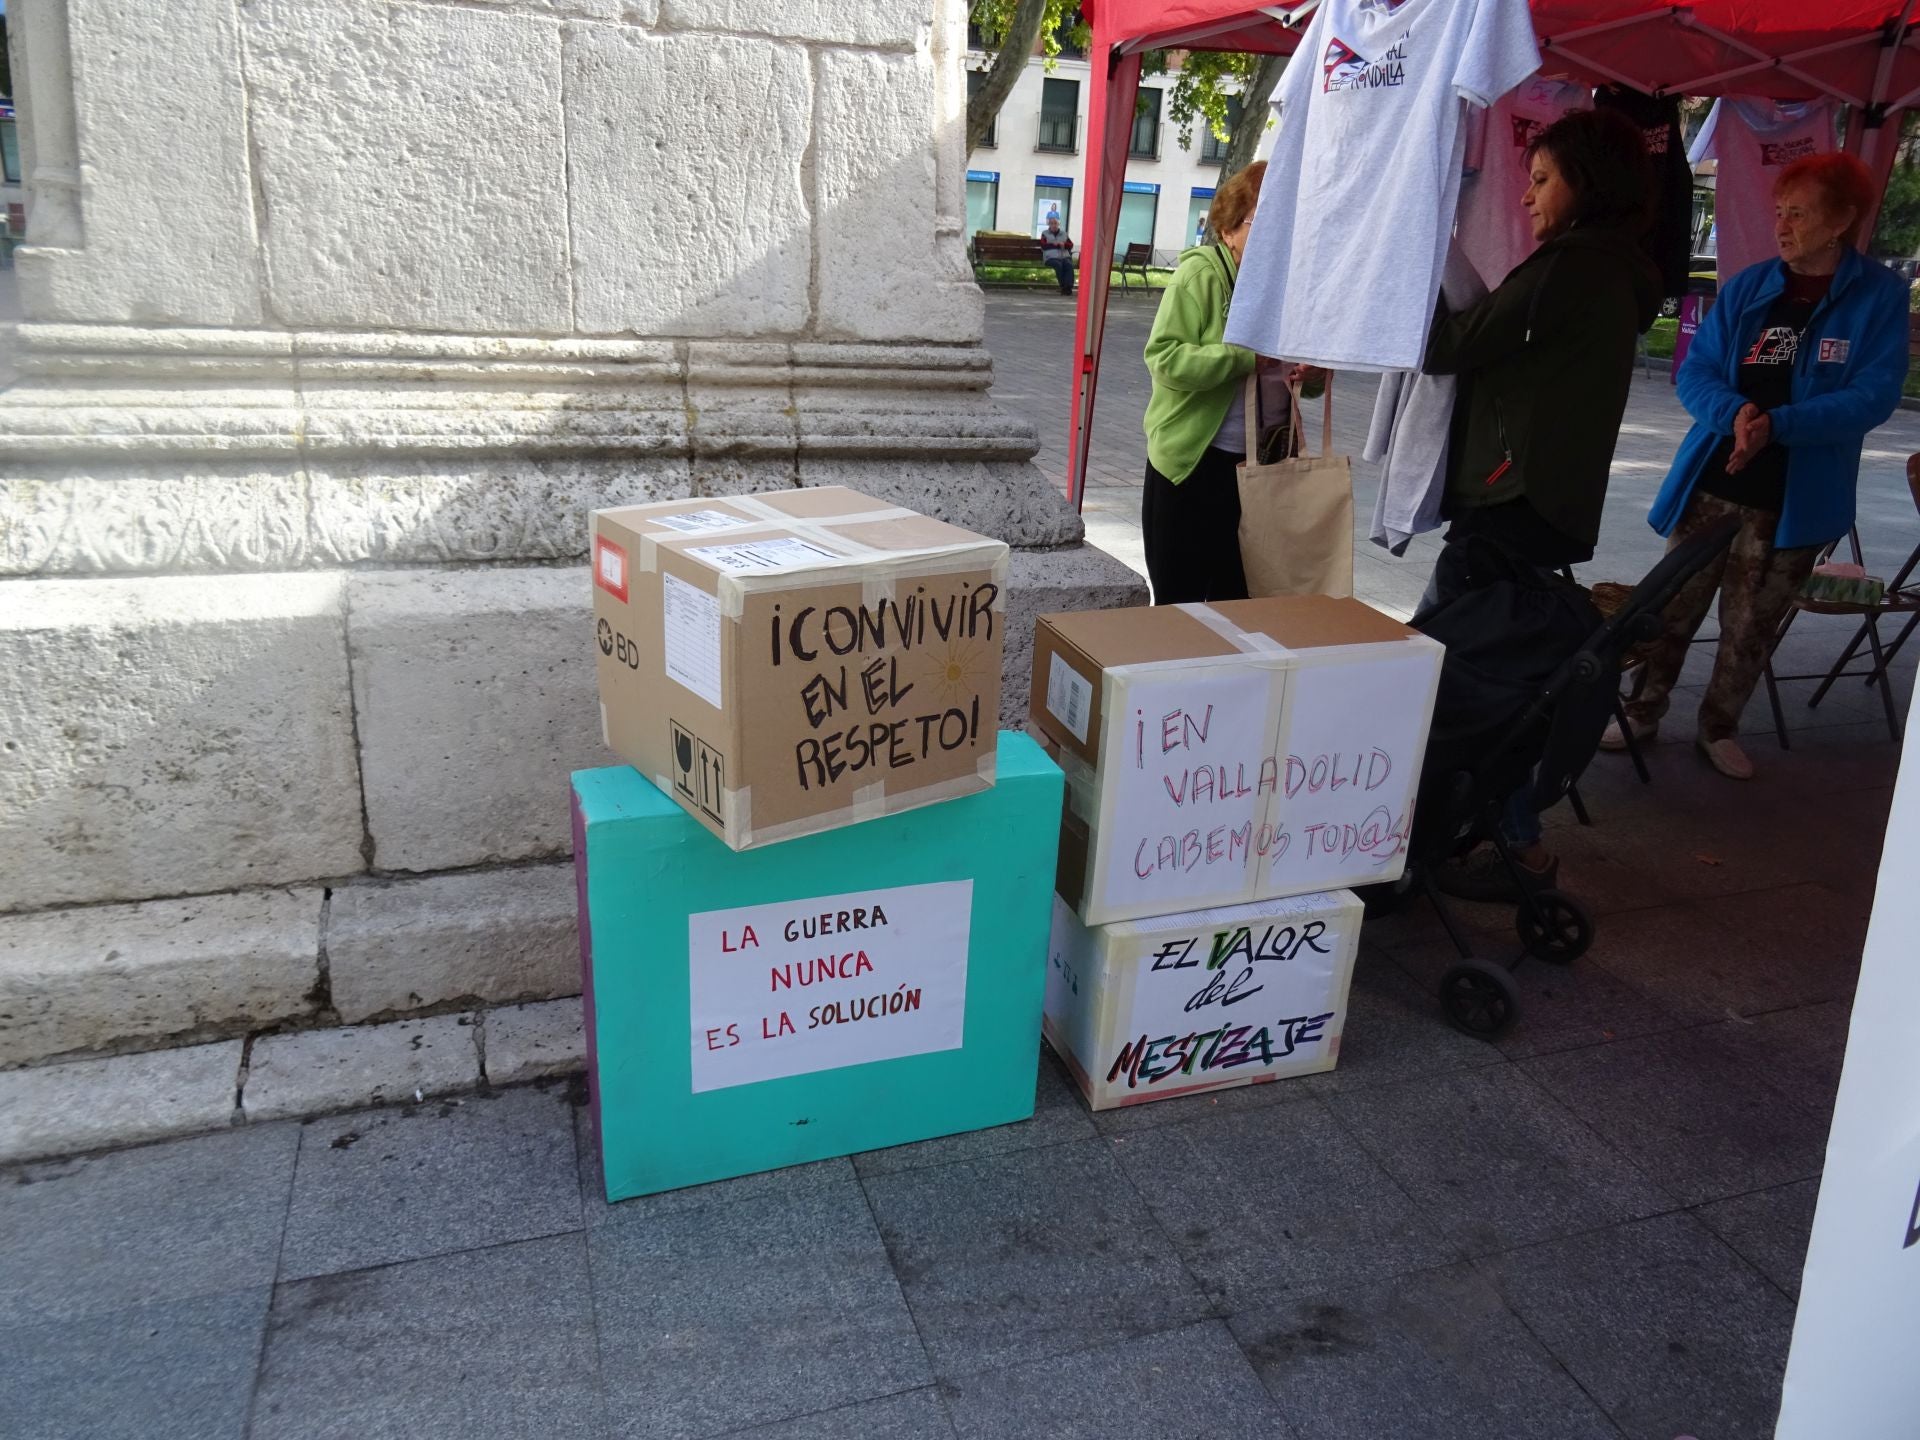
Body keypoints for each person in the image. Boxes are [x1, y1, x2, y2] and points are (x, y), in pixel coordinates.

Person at [1419, 107, 1662, 900]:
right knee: (1502, 682)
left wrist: (1409, 265)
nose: (1527, 196)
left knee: (1444, 681)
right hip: (1541, 503)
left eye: (1543, 179)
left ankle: (1489, 842)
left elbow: (1450, 345)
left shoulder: (1573, 268)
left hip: (1511, 503)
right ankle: (1498, 839)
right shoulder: (1611, 268)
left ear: (1586, 184)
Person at [1606, 152, 1909, 779]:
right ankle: (1642, 709)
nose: (1782, 226)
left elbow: (1874, 395)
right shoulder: (1750, 286)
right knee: (1673, 605)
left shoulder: (1877, 296)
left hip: (1796, 493)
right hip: (1715, 477)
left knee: (1751, 622)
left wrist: (1780, 425)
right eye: (1779, 212)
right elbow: (1696, 372)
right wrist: (1738, 413)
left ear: (1841, 221)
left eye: (1799, 214)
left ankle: (1718, 727)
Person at [1140, 160, 1292, 604]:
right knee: (1180, 606)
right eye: (1261, 222)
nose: (1276, 234)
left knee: (1241, 605)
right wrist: (1243, 358)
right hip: (1191, 465)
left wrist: (1315, 374)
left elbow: (1301, 376)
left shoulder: (1289, 284)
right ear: (1228, 230)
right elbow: (1164, 358)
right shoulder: (1201, 275)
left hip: (1262, 468)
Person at [1039, 215, 1075, 296]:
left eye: (1055, 223)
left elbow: (1071, 245)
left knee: (1068, 265)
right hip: (1050, 257)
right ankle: (1063, 286)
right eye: (1052, 223)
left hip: (1064, 256)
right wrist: (1056, 244)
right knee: (1058, 265)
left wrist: (1064, 245)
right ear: (1049, 225)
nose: (1054, 225)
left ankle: (1068, 287)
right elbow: (1043, 245)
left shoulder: (1064, 233)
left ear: (1058, 224)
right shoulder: (1045, 233)